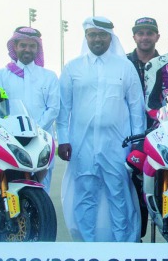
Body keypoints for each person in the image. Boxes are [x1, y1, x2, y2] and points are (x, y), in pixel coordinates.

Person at [56, 17, 146, 241]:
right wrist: (63, 139)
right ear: (86, 37)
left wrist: (138, 141)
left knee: (118, 193)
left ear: (110, 38)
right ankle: (88, 246)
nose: (97, 39)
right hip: (81, 143)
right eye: (92, 35)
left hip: (117, 144)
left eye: (102, 35)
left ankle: (122, 246)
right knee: (85, 193)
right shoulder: (72, 68)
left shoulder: (125, 67)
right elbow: (63, 108)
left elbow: (137, 107)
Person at [0, 26, 60, 190]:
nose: (27, 49)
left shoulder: (49, 76)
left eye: (32, 46)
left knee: (41, 192)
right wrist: (14, 133)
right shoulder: (1, 75)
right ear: (15, 47)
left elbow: (53, 109)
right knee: (9, 189)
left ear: (38, 48)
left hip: (41, 140)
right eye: (23, 45)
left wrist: (35, 130)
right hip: (10, 142)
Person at [125, 16, 160, 237]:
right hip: (126, 133)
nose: (145, 37)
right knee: (129, 189)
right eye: (141, 33)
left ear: (157, 36)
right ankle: (135, 240)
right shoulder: (122, 62)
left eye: (149, 33)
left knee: (155, 187)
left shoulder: (166, 62)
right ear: (134, 36)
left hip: (157, 132)